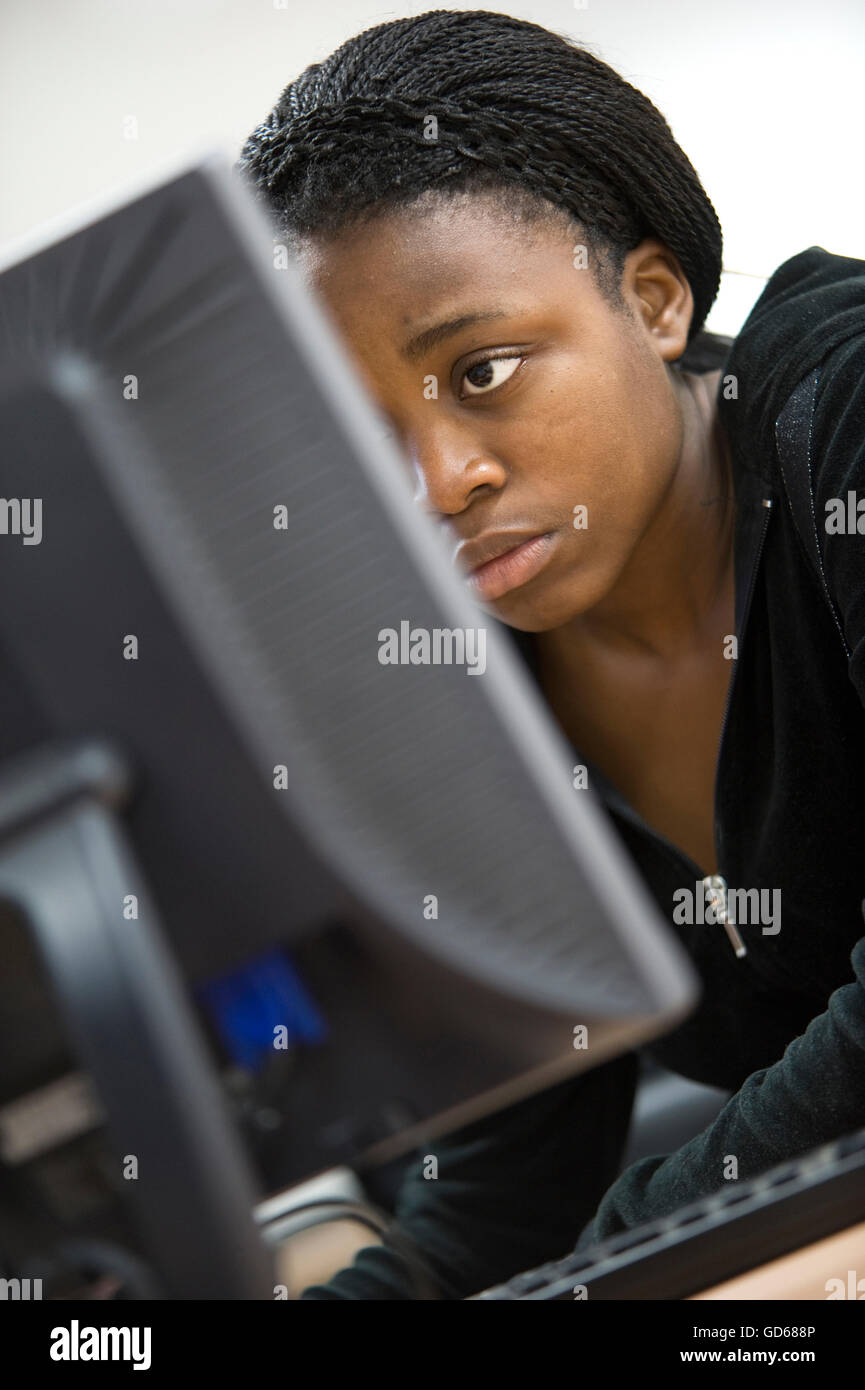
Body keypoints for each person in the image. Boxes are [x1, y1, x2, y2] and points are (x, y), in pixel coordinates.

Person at [236, 9, 865, 1298]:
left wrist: (637, 1248)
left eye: (485, 370)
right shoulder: (437, 678)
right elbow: (514, 1182)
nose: (436, 486)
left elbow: (604, 1234)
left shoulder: (840, 410)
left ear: (652, 299)